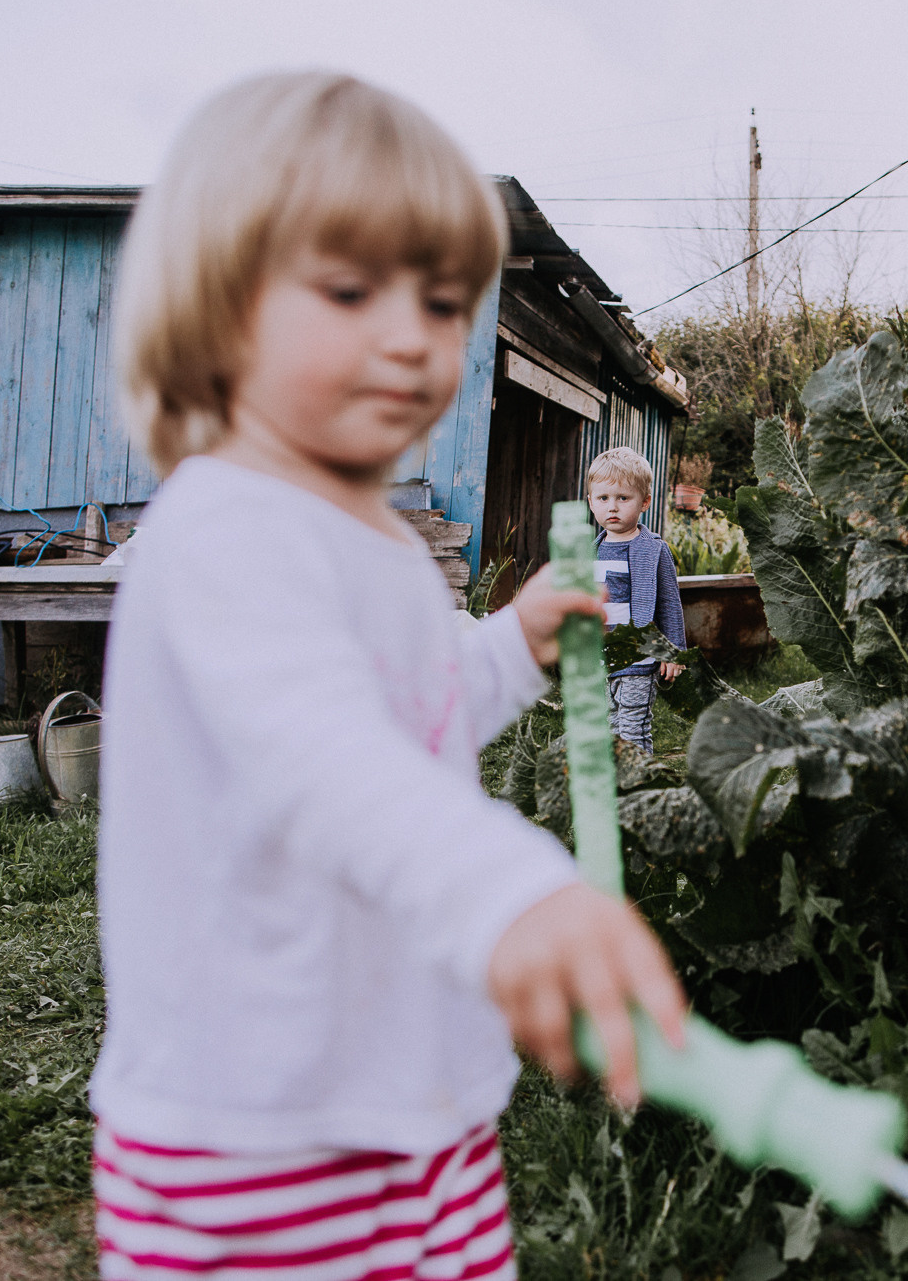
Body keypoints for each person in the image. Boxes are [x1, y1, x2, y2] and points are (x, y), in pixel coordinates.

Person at [91, 71, 686, 1281]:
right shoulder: (224, 531)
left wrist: (506, 648)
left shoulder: (370, 537)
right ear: (215, 309)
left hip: (415, 1098)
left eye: (442, 297)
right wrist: (511, 890)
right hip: (259, 1135)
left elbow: (403, 728)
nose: (413, 332)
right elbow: (326, 760)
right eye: (353, 289)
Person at [586, 447, 686, 757]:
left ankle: (640, 784)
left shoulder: (653, 549)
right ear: (590, 501)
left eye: (622, 498)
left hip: (638, 655)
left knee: (633, 726)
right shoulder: (591, 550)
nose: (612, 507)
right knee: (612, 722)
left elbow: (670, 603)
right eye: (603, 499)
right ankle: (622, 784)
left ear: (644, 502)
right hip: (602, 657)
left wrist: (673, 651)